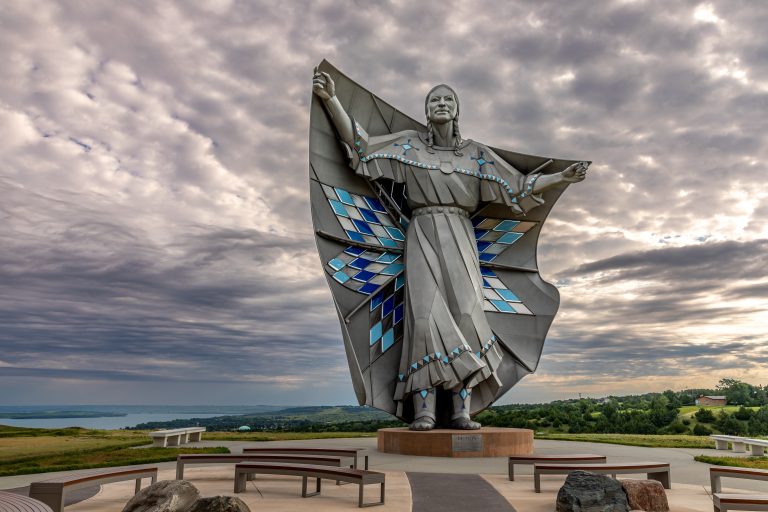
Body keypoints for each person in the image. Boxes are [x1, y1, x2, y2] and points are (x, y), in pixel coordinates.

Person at [313, 68, 587, 430]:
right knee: (424, 318)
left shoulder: (476, 155)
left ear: (456, 110)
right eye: (434, 100)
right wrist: (331, 99)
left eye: (448, 99)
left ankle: (461, 411)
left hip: (461, 236)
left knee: (468, 316)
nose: (441, 104)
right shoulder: (410, 146)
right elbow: (362, 147)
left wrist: (561, 177)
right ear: (427, 111)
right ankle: (424, 411)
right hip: (422, 233)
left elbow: (518, 186)